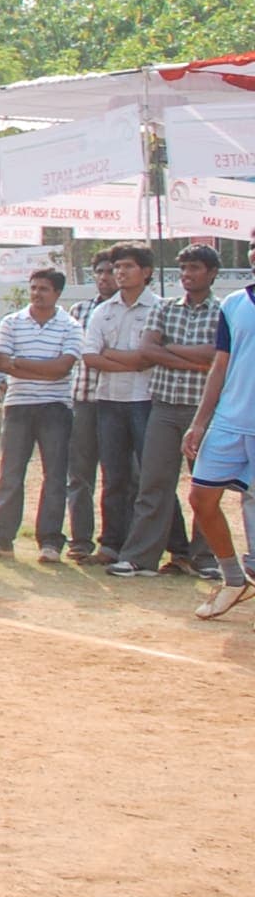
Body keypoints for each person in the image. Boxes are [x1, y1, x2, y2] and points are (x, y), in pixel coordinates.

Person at [114, 243, 228, 579]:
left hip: (202, 411)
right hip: (163, 407)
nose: (187, 276)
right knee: (153, 483)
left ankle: (205, 558)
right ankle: (140, 558)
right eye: (184, 269)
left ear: (211, 273)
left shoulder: (223, 311)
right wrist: (192, 362)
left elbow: (215, 355)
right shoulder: (165, 308)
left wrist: (172, 350)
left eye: (195, 269)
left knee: (205, 486)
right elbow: (147, 349)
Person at [0, 266, 84, 562]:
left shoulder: (70, 326)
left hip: (56, 407)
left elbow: (62, 368)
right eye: (34, 287)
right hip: (19, 404)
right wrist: (40, 368)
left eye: (44, 289)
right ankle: (0, 539)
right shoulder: (12, 322)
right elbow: (0, 363)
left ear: (58, 293)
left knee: (54, 476)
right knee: (11, 473)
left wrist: (19, 364)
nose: (37, 294)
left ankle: (50, 543)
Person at [180, 273, 255, 619]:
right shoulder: (234, 303)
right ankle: (234, 580)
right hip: (228, 421)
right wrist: (199, 422)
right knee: (201, 498)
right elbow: (220, 365)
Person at [81, 245, 161, 563]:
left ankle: (163, 548)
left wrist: (110, 354)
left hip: (145, 401)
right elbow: (89, 357)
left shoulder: (159, 308)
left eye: (128, 266)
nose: (120, 272)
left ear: (146, 272)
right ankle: (111, 545)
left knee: (150, 478)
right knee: (113, 477)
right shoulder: (104, 311)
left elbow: (148, 359)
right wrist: (130, 360)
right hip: (109, 401)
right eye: (117, 267)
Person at [52, 255, 117, 563]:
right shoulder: (80, 310)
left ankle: (115, 541)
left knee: (119, 476)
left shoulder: (136, 309)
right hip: (83, 399)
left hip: (118, 402)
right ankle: (80, 540)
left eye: (110, 271)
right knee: (79, 475)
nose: (105, 277)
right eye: (100, 272)